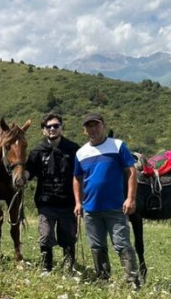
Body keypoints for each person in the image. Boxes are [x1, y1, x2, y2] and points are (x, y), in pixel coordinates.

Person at [72, 112, 141, 288]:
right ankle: (103, 279)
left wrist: (130, 198)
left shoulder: (117, 146)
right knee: (97, 245)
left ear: (103, 125)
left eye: (96, 125)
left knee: (121, 243)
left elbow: (131, 172)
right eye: (89, 126)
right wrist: (78, 203)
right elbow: (77, 179)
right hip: (91, 209)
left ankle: (132, 281)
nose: (93, 129)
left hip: (116, 207)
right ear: (84, 131)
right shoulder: (81, 153)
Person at [25, 113, 79, 273]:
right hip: (46, 202)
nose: (52, 129)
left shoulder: (73, 149)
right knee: (45, 236)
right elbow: (29, 172)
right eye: (48, 126)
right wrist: (21, 177)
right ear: (43, 130)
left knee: (68, 238)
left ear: (61, 128)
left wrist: (80, 201)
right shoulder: (37, 151)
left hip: (68, 202)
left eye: (56, 126)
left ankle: (69, 269)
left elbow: (80, 175)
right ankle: (46, 269)